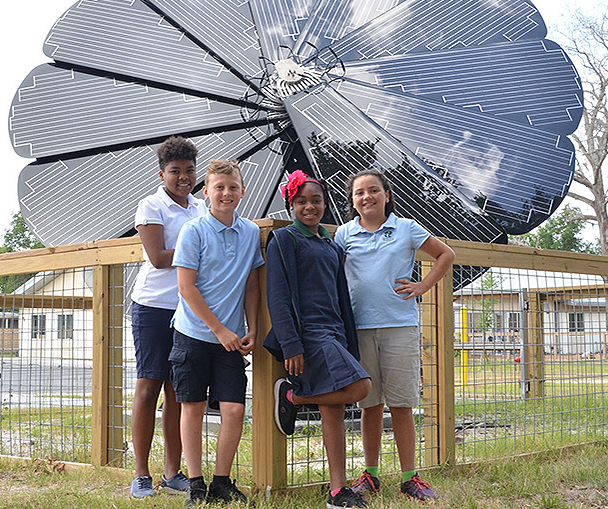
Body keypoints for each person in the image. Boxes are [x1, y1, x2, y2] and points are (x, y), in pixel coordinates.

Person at [334, 169, 455, 503]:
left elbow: (446, 255)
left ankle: (409, 477)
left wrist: (421, 287)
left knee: (402, 403)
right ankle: (370, 476)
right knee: (369, 404)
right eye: (359, 193)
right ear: (352, 200)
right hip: (358, 328)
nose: (367, 197)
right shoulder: (344, 235)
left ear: (387, 195)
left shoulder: (406, 228)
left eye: (374, 191)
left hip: (400, 326)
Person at [266, 170, 372, 509]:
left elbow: (342, 296)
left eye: (316, 201)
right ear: (291, 204)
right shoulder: (285, 239)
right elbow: (278, 296)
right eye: (302, 202)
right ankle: (294, 396)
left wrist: (350, 344)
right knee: (361, 388)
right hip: (308, 334)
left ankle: (337, 491)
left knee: (335, 410)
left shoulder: (330, 242)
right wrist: (291, 344)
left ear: (325, 205)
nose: (310, 207)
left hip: (335, 331)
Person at [171, 160, 263, 507]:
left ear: (242, 191)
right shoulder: (193, 231)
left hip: (232, 339)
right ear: (206, 192)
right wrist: (219, 329)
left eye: (233, 187)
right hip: (193, 333)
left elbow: (252, 284)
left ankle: (221, 482)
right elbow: (186, 287)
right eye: (219, 187)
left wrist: (251, 327)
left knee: (234, 410)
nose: (226, 193)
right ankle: (195, 483)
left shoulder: (251, 232)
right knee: (192, 408)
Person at [129, 136, 205, 499]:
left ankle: (173, 472)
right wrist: (199, 252)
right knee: (149, 388)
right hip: (154, 307)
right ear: (163, 174)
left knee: (180, 391)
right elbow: (158, 258)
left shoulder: (201, 208)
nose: (183, 177)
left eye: (189, 170)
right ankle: (141, 473)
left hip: (188, 309)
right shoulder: (151, 206)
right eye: (175, 171)